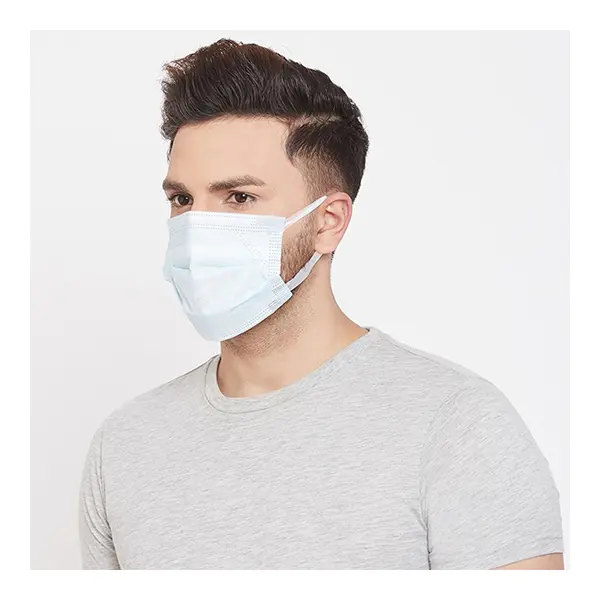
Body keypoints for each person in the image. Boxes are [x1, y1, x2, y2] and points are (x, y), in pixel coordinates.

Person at [78, 38, 564, 570]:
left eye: (239, 198)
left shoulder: (455, 424)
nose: (196, 229)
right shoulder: (124, 446)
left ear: (328, 222)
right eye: (182, 199)